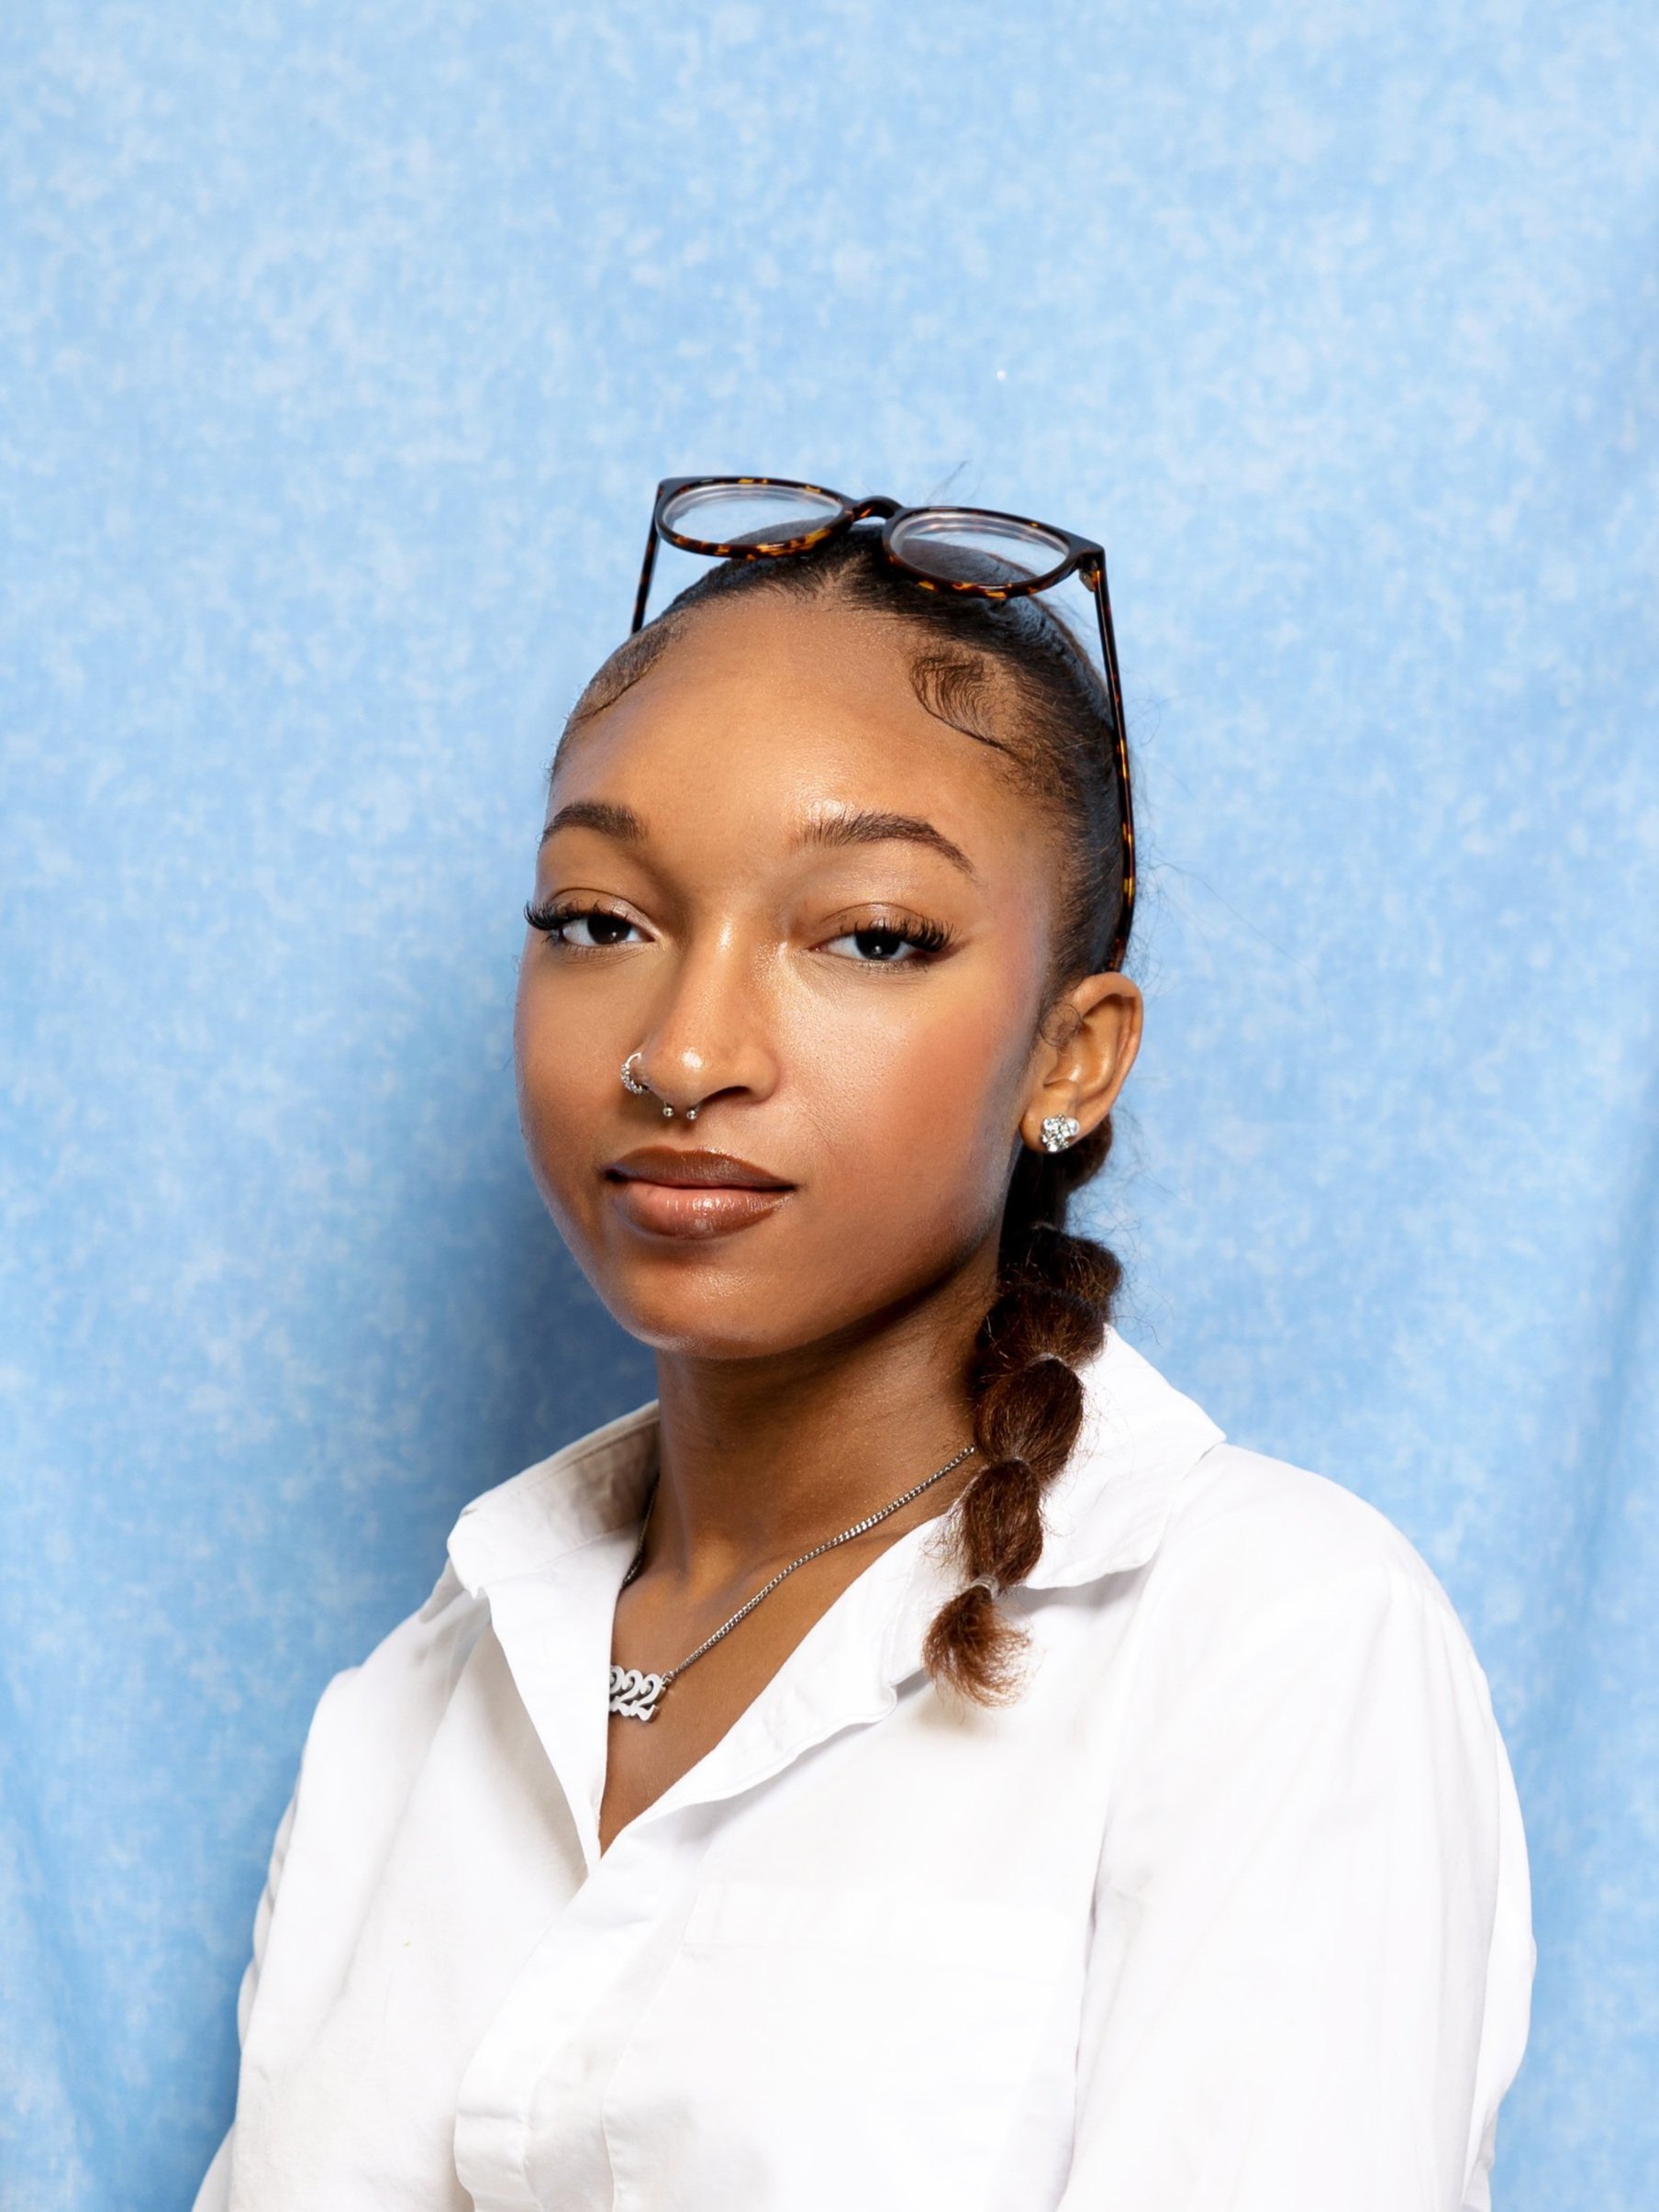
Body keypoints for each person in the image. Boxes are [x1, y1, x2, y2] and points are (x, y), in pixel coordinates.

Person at [192, 478, 1534, 2212]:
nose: (684, 1054)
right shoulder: (415, 1698)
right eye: (600, 920)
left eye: (871, 936)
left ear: (1070, 1056)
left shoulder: (1268, 1643)